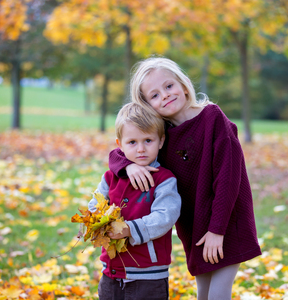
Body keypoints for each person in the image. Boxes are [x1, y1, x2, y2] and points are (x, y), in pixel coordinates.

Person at [109, 57, 262, 300]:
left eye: (169, 86)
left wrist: (217, 230)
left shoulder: (213, 119)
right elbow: (120, 152)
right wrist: (128, 167)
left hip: (226, 222)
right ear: (147, 104)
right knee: (203, 294)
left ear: (182, 83)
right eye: (155, 95)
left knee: (218, 295)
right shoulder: (161, 135)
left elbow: (228, 179)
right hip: (195, 226)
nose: (166, 96)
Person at [88, 102, 181, 300]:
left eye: (148, 140)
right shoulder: (110, 177)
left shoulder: (164, 180)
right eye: (132, 142)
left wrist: (130, 229)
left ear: (161, 141)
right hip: (111, 270)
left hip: (148, 274)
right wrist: (99, 221)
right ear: (119, 144)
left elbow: (166, 216)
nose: (141, 149)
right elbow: (94, 205)